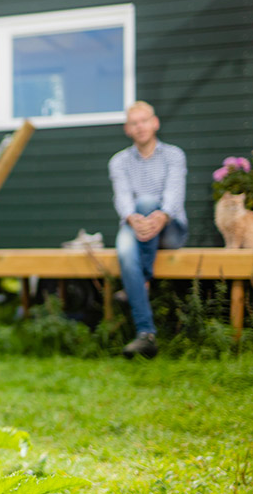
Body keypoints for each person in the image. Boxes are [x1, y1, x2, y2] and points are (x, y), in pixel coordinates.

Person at [109, 100, 188, 358]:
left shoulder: (174, 155)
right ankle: (146, 335)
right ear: (127, 129)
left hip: (170, 229)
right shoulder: (118, 162)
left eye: (144, 121)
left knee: (146, 201)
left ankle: (139, 281)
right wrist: (133, 218)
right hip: (135, 226)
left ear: (155, 123)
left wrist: (161, 216)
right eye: (134, 123)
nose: (140, 127)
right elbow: (122, 198)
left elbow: (174, 194)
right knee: (124, 249)